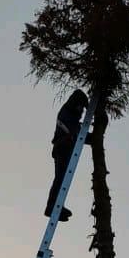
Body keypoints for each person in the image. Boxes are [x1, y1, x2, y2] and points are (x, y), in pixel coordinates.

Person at [44, 89, 90, 221]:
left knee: (63, 178)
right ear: (75, 103)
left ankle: (58, 206)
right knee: (60, 177)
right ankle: (52, 206)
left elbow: (79, 135)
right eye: (80, 107)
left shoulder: (72, 117)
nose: (81, 111)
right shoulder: (66, 113)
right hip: (61, 148)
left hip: (64, 148)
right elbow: (74, 133)